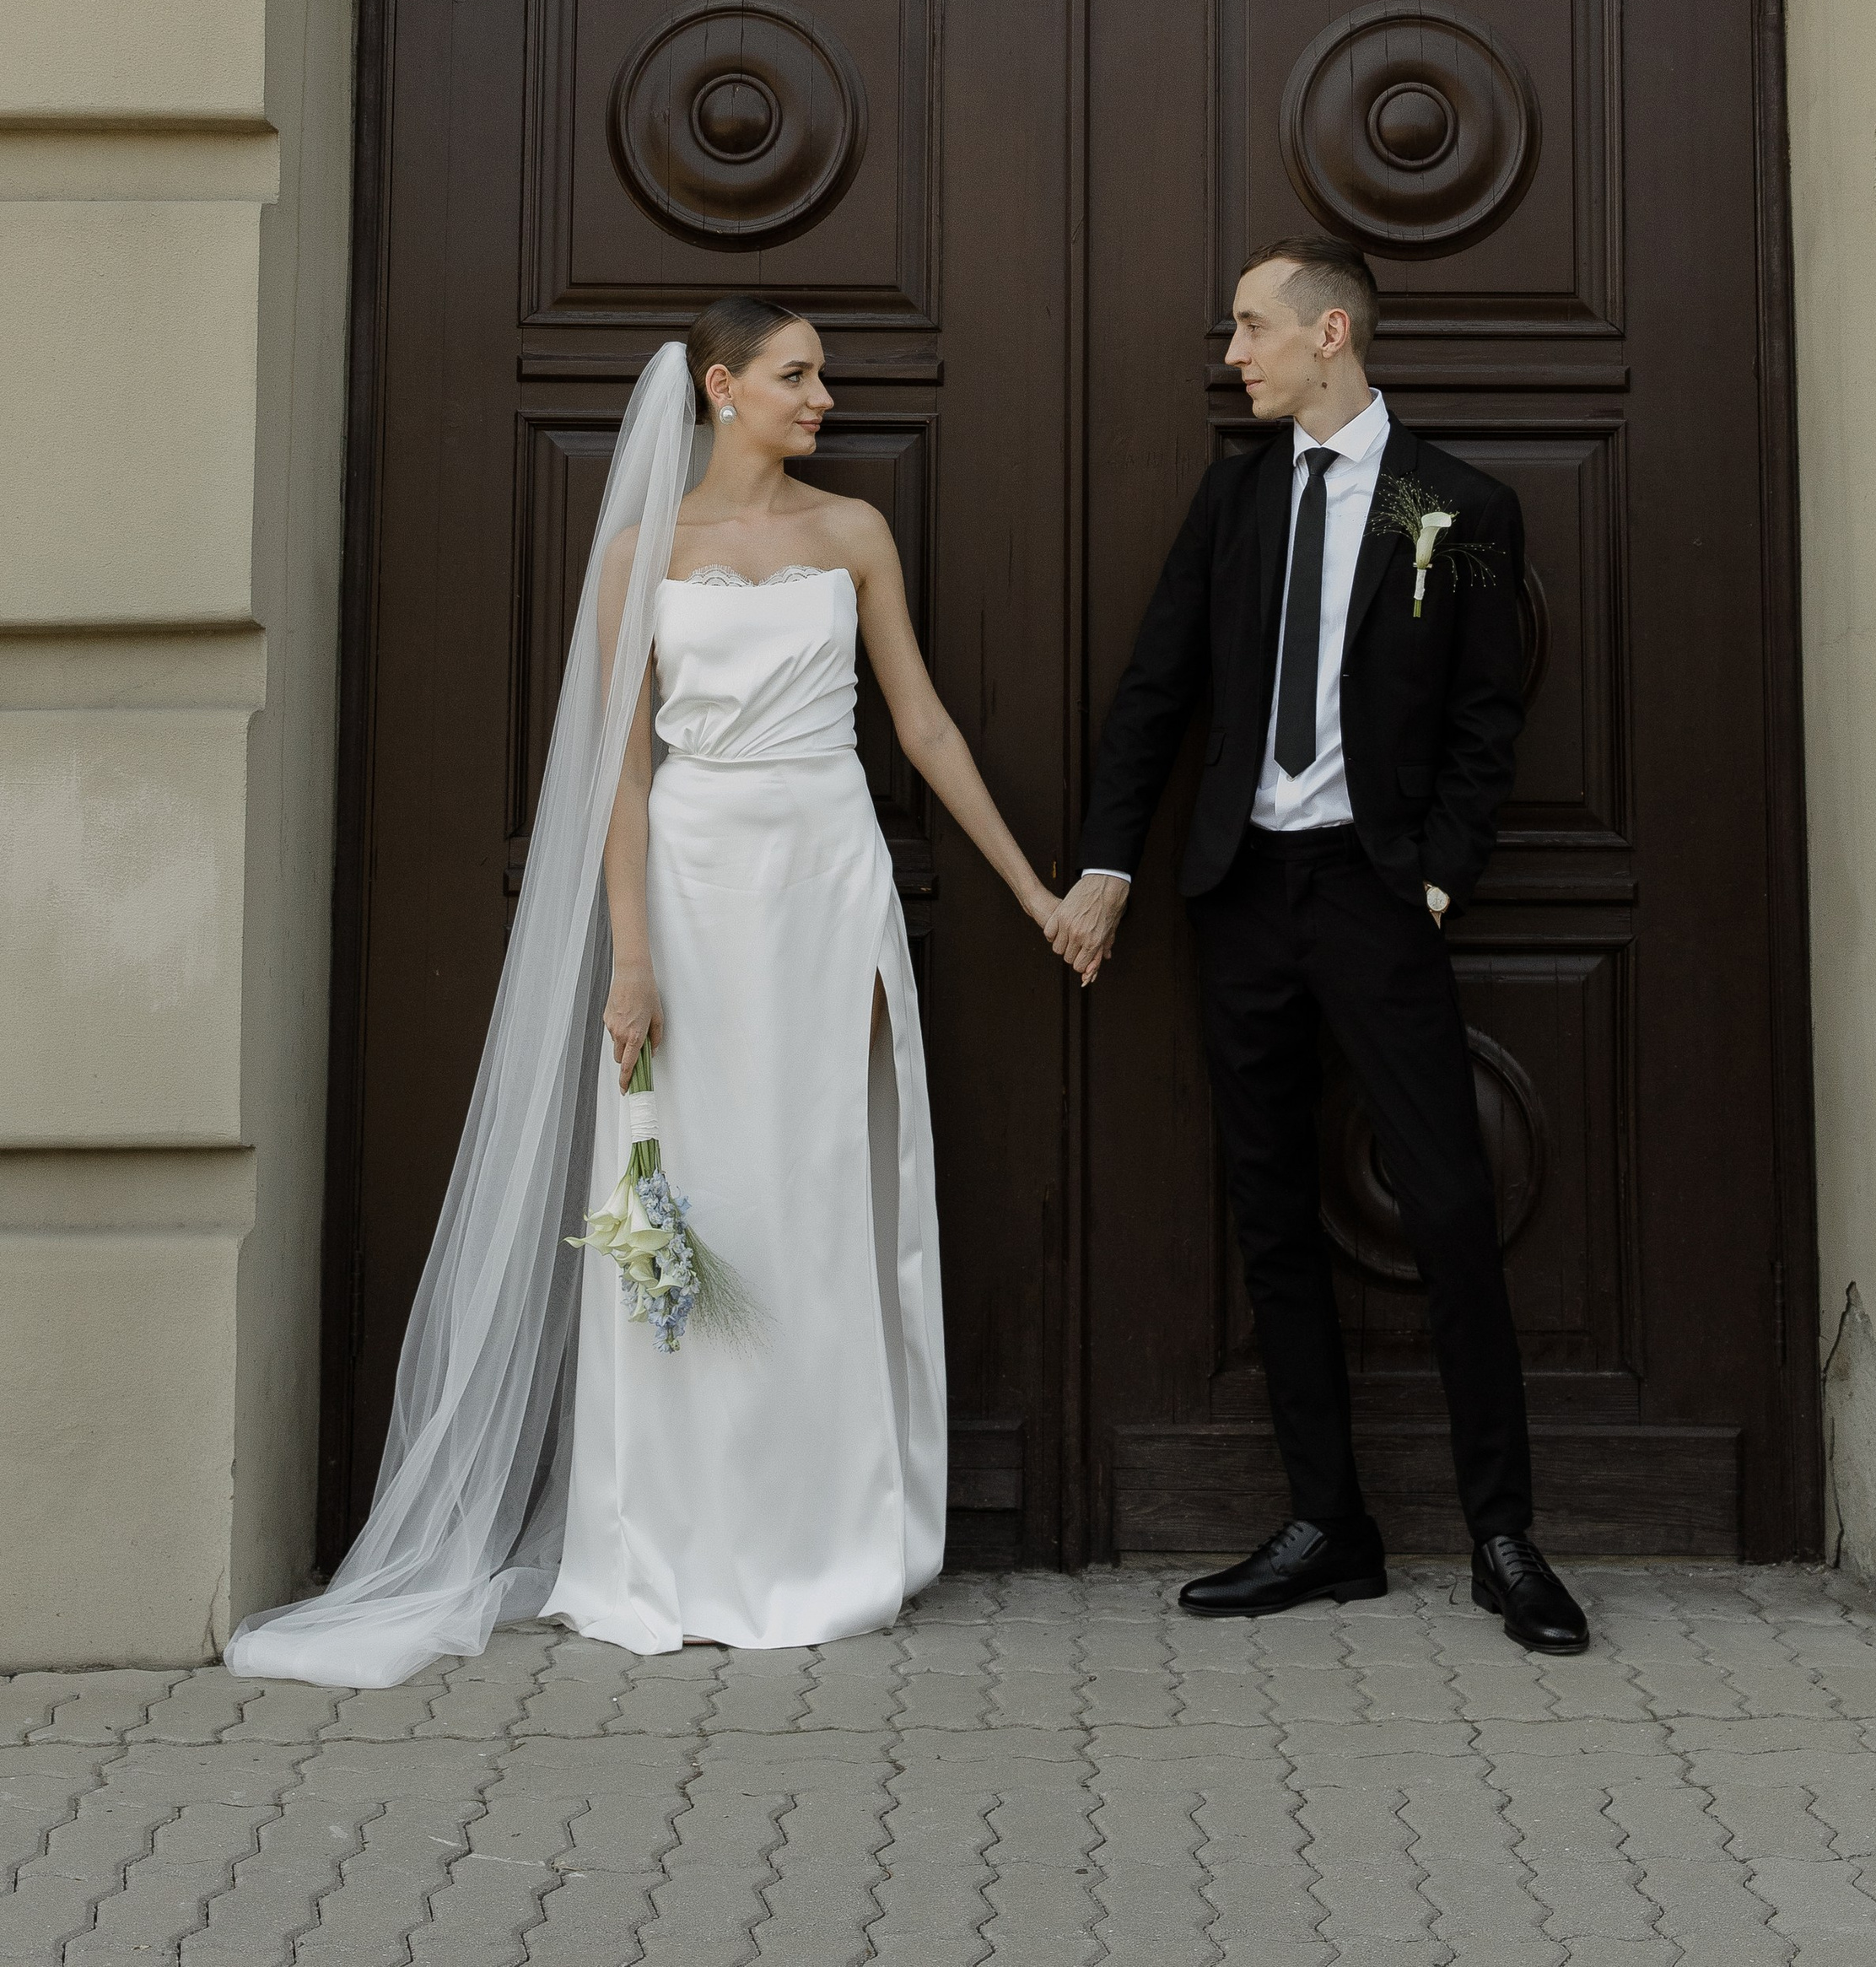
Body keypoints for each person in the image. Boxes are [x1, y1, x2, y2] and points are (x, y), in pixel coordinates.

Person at [229, 299, 1063, 1686]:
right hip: (692, 884)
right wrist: (630, 953)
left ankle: (821, 1535)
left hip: (827, 882)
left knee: (812, 1189)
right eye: (798, 377)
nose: (824, 400)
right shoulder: (640, 554)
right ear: (724, 388)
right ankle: (671, 1534)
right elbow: (619, 765)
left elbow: (919, 724)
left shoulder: (854, 535)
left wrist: (1033, 888)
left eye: (823, 378)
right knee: (686, 1187)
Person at [1050, 237, 1588, 1654]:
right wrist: (1108, 862)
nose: (1233, 354)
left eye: (1250, 327)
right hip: (1244, 893)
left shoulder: (1457, 505)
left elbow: (1487, 720)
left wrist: (1436, 883)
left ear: (1328, 331)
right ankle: (1327, 1526)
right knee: (1273, 1210)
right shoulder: (1234, 498)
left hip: (1373, 893)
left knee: (1451, 1208)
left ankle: (1504, 1536)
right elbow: (1156, 690)